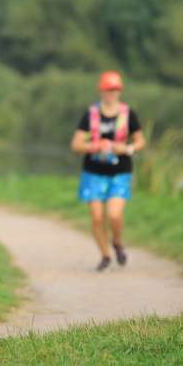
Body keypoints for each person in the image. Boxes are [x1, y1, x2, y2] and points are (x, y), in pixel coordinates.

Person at [70, 71, 145, 271]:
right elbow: (76, 144)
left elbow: (140, 141)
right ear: (101, 91)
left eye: (114, 89)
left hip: (120, 171)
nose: (111, 93)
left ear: (119, 91)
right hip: (93, 172)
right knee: (96, 217)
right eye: (107, 89)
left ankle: (117, 243)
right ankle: (105, 255)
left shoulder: (129, 114)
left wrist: (126, 148)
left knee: (114, 214)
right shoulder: (91, 114)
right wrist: (93, 146)